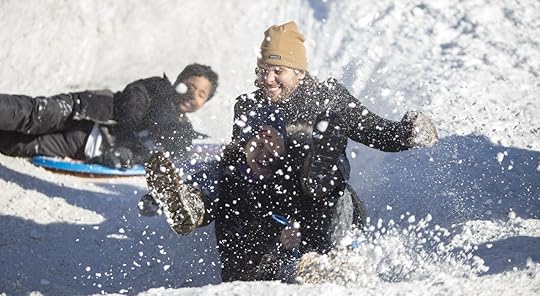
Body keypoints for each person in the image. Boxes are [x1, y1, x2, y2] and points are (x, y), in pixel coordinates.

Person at [144, 105, 366, 282]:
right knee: (218, 185)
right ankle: (192, 207)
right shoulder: (230, 173)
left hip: (323, 238)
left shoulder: (298, 160)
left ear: (284, 144)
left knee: (325, 190)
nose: (264, 150)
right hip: (259, 262)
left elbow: (344, 198)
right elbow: (202, 181)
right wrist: (160, 198)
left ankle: (328, 260)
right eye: (257, 143)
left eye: (272, 142)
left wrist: (301, 235)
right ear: (244, 146)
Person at [232, 21, 439, 200]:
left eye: (278, 71)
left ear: (300, 73)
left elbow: (374, 132)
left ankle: (318, 172)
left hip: (323, 201)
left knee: (317, 143)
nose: (268, 79)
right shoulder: (248, 107)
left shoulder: (327, 99)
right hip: (269, 204)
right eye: (263, 70)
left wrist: (408, 133)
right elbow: (236, 162)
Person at [0, 63, 219, 168]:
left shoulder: (179, 132)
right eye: (189, 86)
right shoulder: (157, 88)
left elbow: (159, 160)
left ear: (204, 103)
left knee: (20, 145)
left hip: (83, 144)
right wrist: (128, 136)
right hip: (83, 110)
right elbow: (134, 97)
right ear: (177, 82)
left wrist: (128, 155)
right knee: (31, 114)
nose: (192, 95)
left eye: (201, 94)